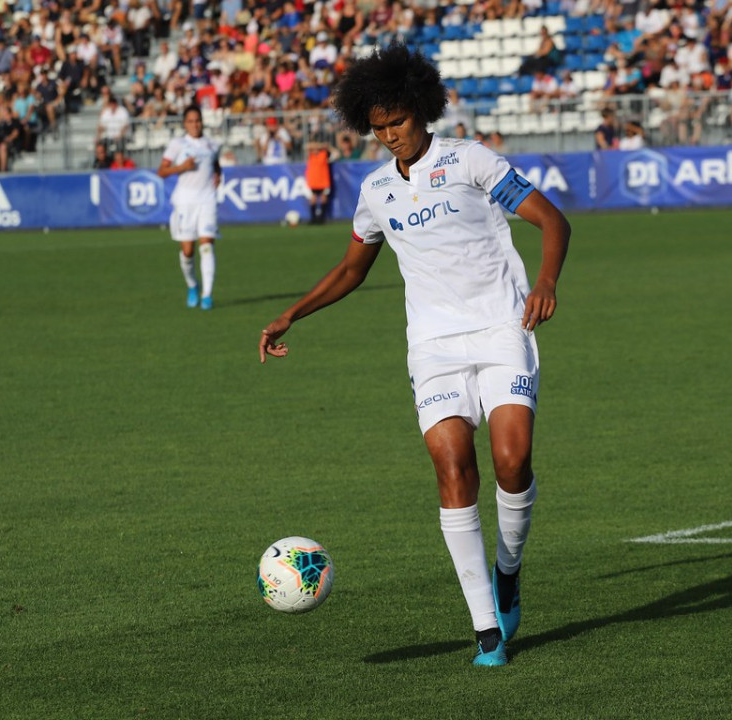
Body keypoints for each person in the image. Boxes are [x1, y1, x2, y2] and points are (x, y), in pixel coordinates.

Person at [258, 43, 570, 667]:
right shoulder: (375, 191)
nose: (389, 137)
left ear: (421, 111)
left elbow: (554, 221)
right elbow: (353, 269)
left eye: (396, 123)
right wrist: (294, 311)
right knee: (453, 466)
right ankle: (486, 628)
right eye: (377, 129)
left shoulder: (470, 160)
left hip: (501, 328)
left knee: (512, 461)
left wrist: (545, 282)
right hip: (432, 346)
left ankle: (508, 569)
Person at [157, 105, 222, 310]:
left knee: (206, 246)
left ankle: (207, 295)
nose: (195, 124)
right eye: (191, 121)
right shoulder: (178, 144)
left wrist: (218, 176)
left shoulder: (212, 144)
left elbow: (216, 164)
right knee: (187, 251)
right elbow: (162, 171)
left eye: (198, 120)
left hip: (207, 200)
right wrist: (182, 167)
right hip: (184, 201)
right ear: (185, 124)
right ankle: (193, 285)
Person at [304, 139, 337, 225]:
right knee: (313, 199)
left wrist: (328, 147)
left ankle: (322, 218)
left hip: (323, 181)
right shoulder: (310, 155)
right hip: (313, 181)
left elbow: (336, 154)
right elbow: (306, 146)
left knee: (323, 198)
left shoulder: (324, 154)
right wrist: (321, 145)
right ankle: (313, 218)